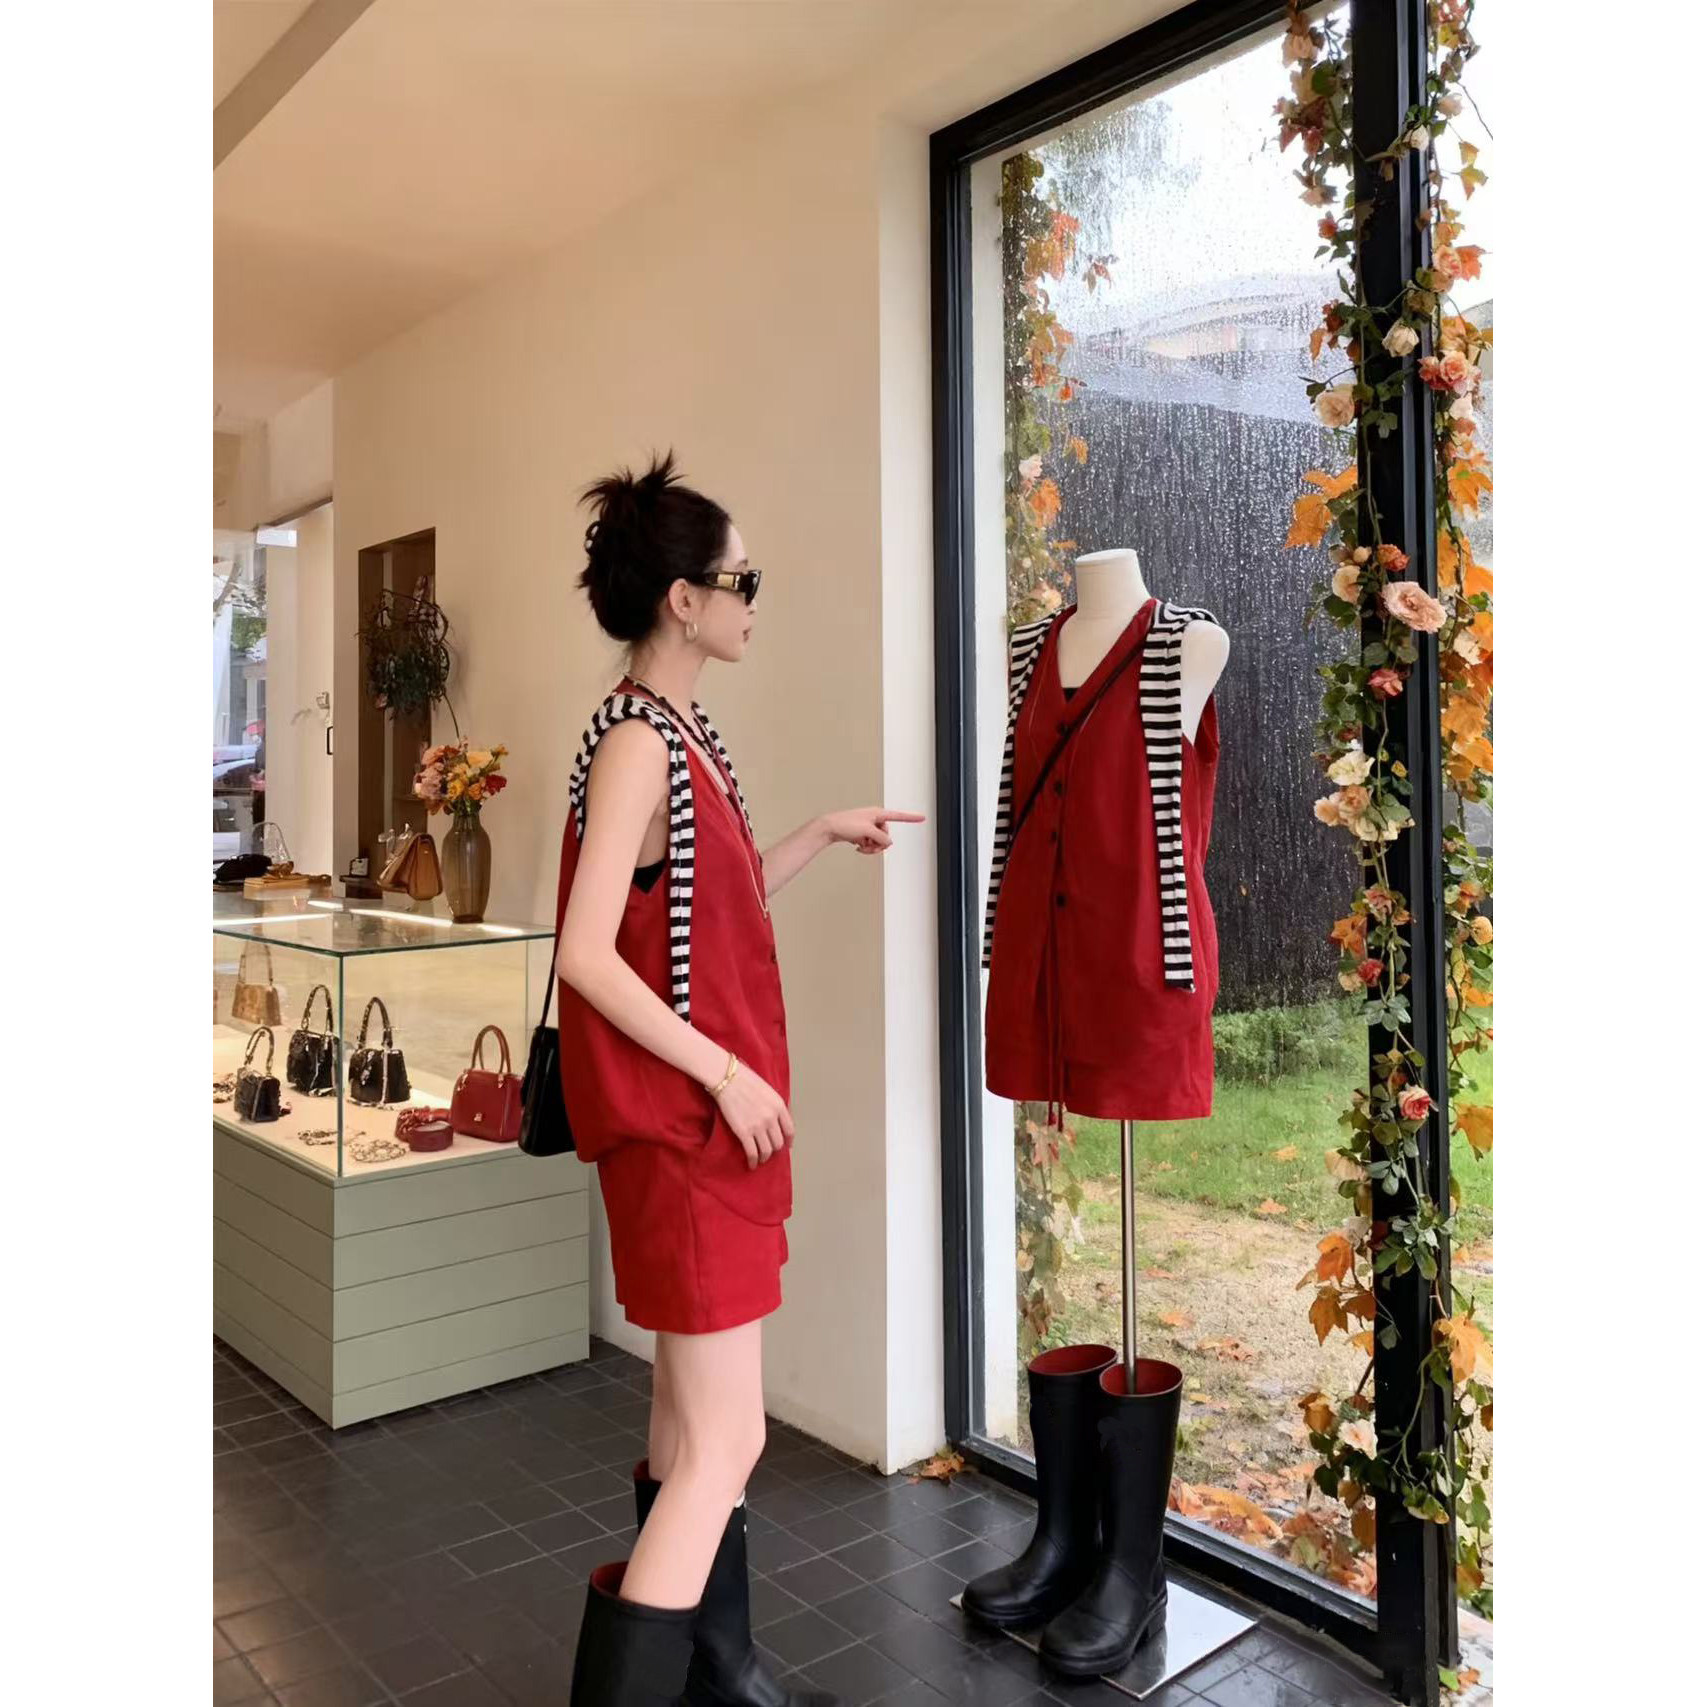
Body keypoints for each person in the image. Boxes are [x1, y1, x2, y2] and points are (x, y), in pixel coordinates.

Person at [557, 451, 924, 1706]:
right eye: (741, 580)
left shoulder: (669, 732)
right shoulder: (637, 746)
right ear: (684, 600)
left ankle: (715, 1680)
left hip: (690, 1131)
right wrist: (724, 1075)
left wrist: (816, 833)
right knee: (731, 1437)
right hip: (682, 1132)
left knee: (683, 1425)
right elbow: (585, 954)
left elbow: (693, 920)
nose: (753, 601)